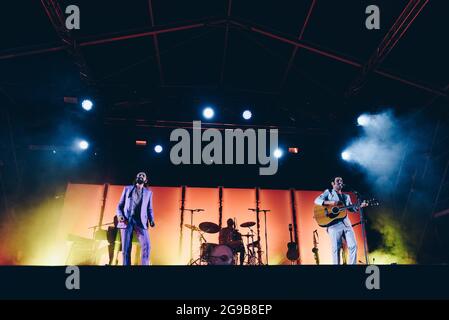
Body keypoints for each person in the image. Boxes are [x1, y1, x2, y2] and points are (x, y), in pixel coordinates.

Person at [314, 177, 366, 265]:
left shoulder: (346, 196)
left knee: (353, 246)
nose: (340, 182)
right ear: (332, 183)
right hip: (333, 225)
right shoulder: (329, 192)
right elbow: (317, 200)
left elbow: (351, 209)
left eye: (341, 180)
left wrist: (359, 206)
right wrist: (330, 203)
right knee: (336, 249)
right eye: (337, 180)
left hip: (346, 223)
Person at [116, 172, 155, 265]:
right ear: (136, 178)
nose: (140, 176)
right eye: (139, 175)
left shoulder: (148, 193)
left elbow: (149, 209)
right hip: (126, 220)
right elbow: (119, 206)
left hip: (140, 221)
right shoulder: (127, 189)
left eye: (143, 176)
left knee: (147, 246)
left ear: (145, 180)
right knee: (126, 248)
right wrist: (120, 215)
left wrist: (151, 219)